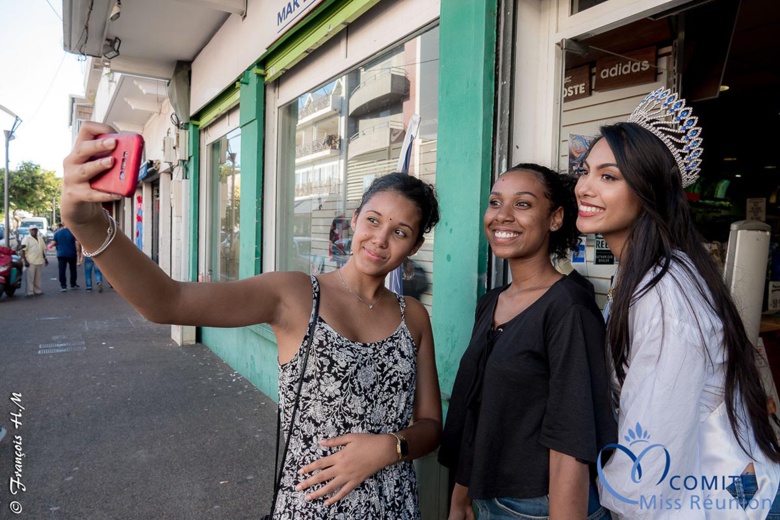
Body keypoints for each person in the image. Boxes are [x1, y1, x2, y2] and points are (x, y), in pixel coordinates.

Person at [61, 121, 442, 519]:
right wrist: (87, 223)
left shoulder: (412, 316)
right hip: (313, 509)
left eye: (400, 232)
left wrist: (390, 447)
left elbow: (432, 426)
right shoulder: (295, 295)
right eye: (374, 220)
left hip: (396, 506)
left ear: (415, 244)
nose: (380, 239)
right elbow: (166, 301)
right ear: (356, 217)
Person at [575, 87, 780, 518]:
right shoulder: (646, 272)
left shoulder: (664, 291)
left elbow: (653, 445)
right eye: (585, 171)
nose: (584, 188)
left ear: (648, 190)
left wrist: (615, 500)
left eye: (608, 177)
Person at [439, 163, 616, 519]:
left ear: (555, 219)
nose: (502, 215)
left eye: (522, 204)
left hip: (541, 506)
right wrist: (461, 495)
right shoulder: (492, 302)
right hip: (489, 498)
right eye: (495, 202)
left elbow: (572, 436)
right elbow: (478, 411)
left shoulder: (569, 307)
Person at [19, 224, 49, 296]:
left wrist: (45, 259)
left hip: (39, 260)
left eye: (35, 229)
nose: (34, 231)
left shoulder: (40, 238)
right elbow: (22, 251)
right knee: (30, 278)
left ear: (37, 230)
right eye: (32, 230)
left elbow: (42, 249)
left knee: (38, 278)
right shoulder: (26, 239)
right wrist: (25, 261)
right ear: (30, 231)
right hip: (30, 261)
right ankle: (30, 292)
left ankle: (37, 291)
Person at [51, 223, 80, 291]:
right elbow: (77, 243)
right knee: (73, 269)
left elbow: (53, 243)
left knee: (62, 270)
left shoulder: (57, 233)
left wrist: (49, 247)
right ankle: (73, 284)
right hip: (72, 253)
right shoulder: (73, 232)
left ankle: (63, 286)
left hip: (61, 254)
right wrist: (78, 251)